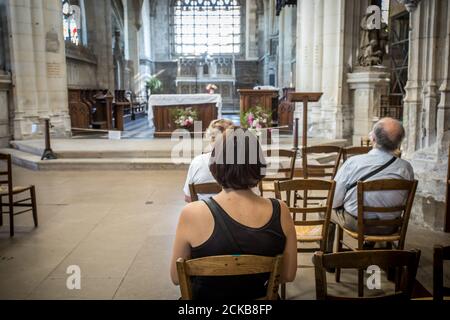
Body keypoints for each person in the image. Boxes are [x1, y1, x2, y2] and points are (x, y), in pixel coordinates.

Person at [171, 128, 297, 300]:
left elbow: (176, 277)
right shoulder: (280, 210)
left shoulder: (192, 213)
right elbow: (288, 275)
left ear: (216, 165)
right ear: (258, 165)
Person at [333, 117, 414, 235]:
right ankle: (371, 246)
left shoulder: (354, 162)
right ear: (399, 142)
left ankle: (325, 252)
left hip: (358, 224)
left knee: (326, 207)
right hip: (390, 226)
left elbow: (335, 200)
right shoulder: (406, 168)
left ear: (373, 139)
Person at [183, 119, 234, 203]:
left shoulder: (197, 162)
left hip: (203, 213)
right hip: (235, 214)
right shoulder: (241, 163)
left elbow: (188, 197)